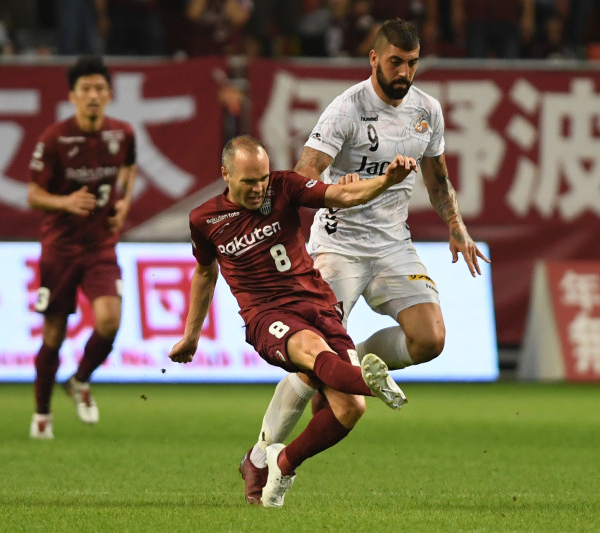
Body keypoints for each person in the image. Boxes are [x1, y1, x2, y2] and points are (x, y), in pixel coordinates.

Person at [239, 18, 490, 505]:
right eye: (396, 61)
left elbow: (437, 180)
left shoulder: (427, 112)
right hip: (339, 246)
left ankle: (357, 361)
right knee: (313, 368)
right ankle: (261, 453)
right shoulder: (346, 110)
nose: (405, 72)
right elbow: (306, 176)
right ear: (374, 58)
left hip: (394, 243)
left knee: (430, 338)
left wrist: (458, 229)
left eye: (412, 63)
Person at [168, 135, 415, 508]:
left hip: (316, 304)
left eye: (262, 178)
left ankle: (281, 463)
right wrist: (191, 336)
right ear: (226, 174)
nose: (258, 188)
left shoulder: (284, 187)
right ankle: (369, 380)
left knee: (350, 410)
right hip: (266, 315)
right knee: (312, 350)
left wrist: (385, 181)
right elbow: (205, 274)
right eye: (248, 181)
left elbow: (344, 195)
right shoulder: (204, 219)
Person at [27, 56, 137, 439]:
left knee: (109, 321)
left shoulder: (122, 133)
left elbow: (129, 166)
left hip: (101, 247)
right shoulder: (55, 138)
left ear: (109, 94)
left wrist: (123, 202)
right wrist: (65, 202)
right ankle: (42, 414)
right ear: (72, 96)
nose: (93, 96)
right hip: (60, 248)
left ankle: (79, 380)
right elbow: (33, 194)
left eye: (99, 89)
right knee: (54, 332)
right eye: (85, 89)